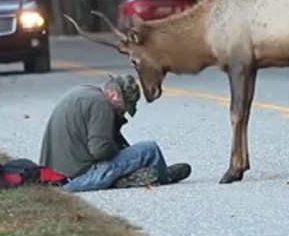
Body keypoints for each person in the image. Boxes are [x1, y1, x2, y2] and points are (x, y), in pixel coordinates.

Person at [39, 74, 191, 192]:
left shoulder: (84, 91)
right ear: (114, 95)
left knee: (127, 155)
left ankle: (126, 178)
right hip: (79, 178)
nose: (122, 112)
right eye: (123, 107)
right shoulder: (102, 105)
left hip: (53, 175)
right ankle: (165, 177)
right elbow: (100, 150)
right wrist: (118, 149)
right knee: (149, 149)